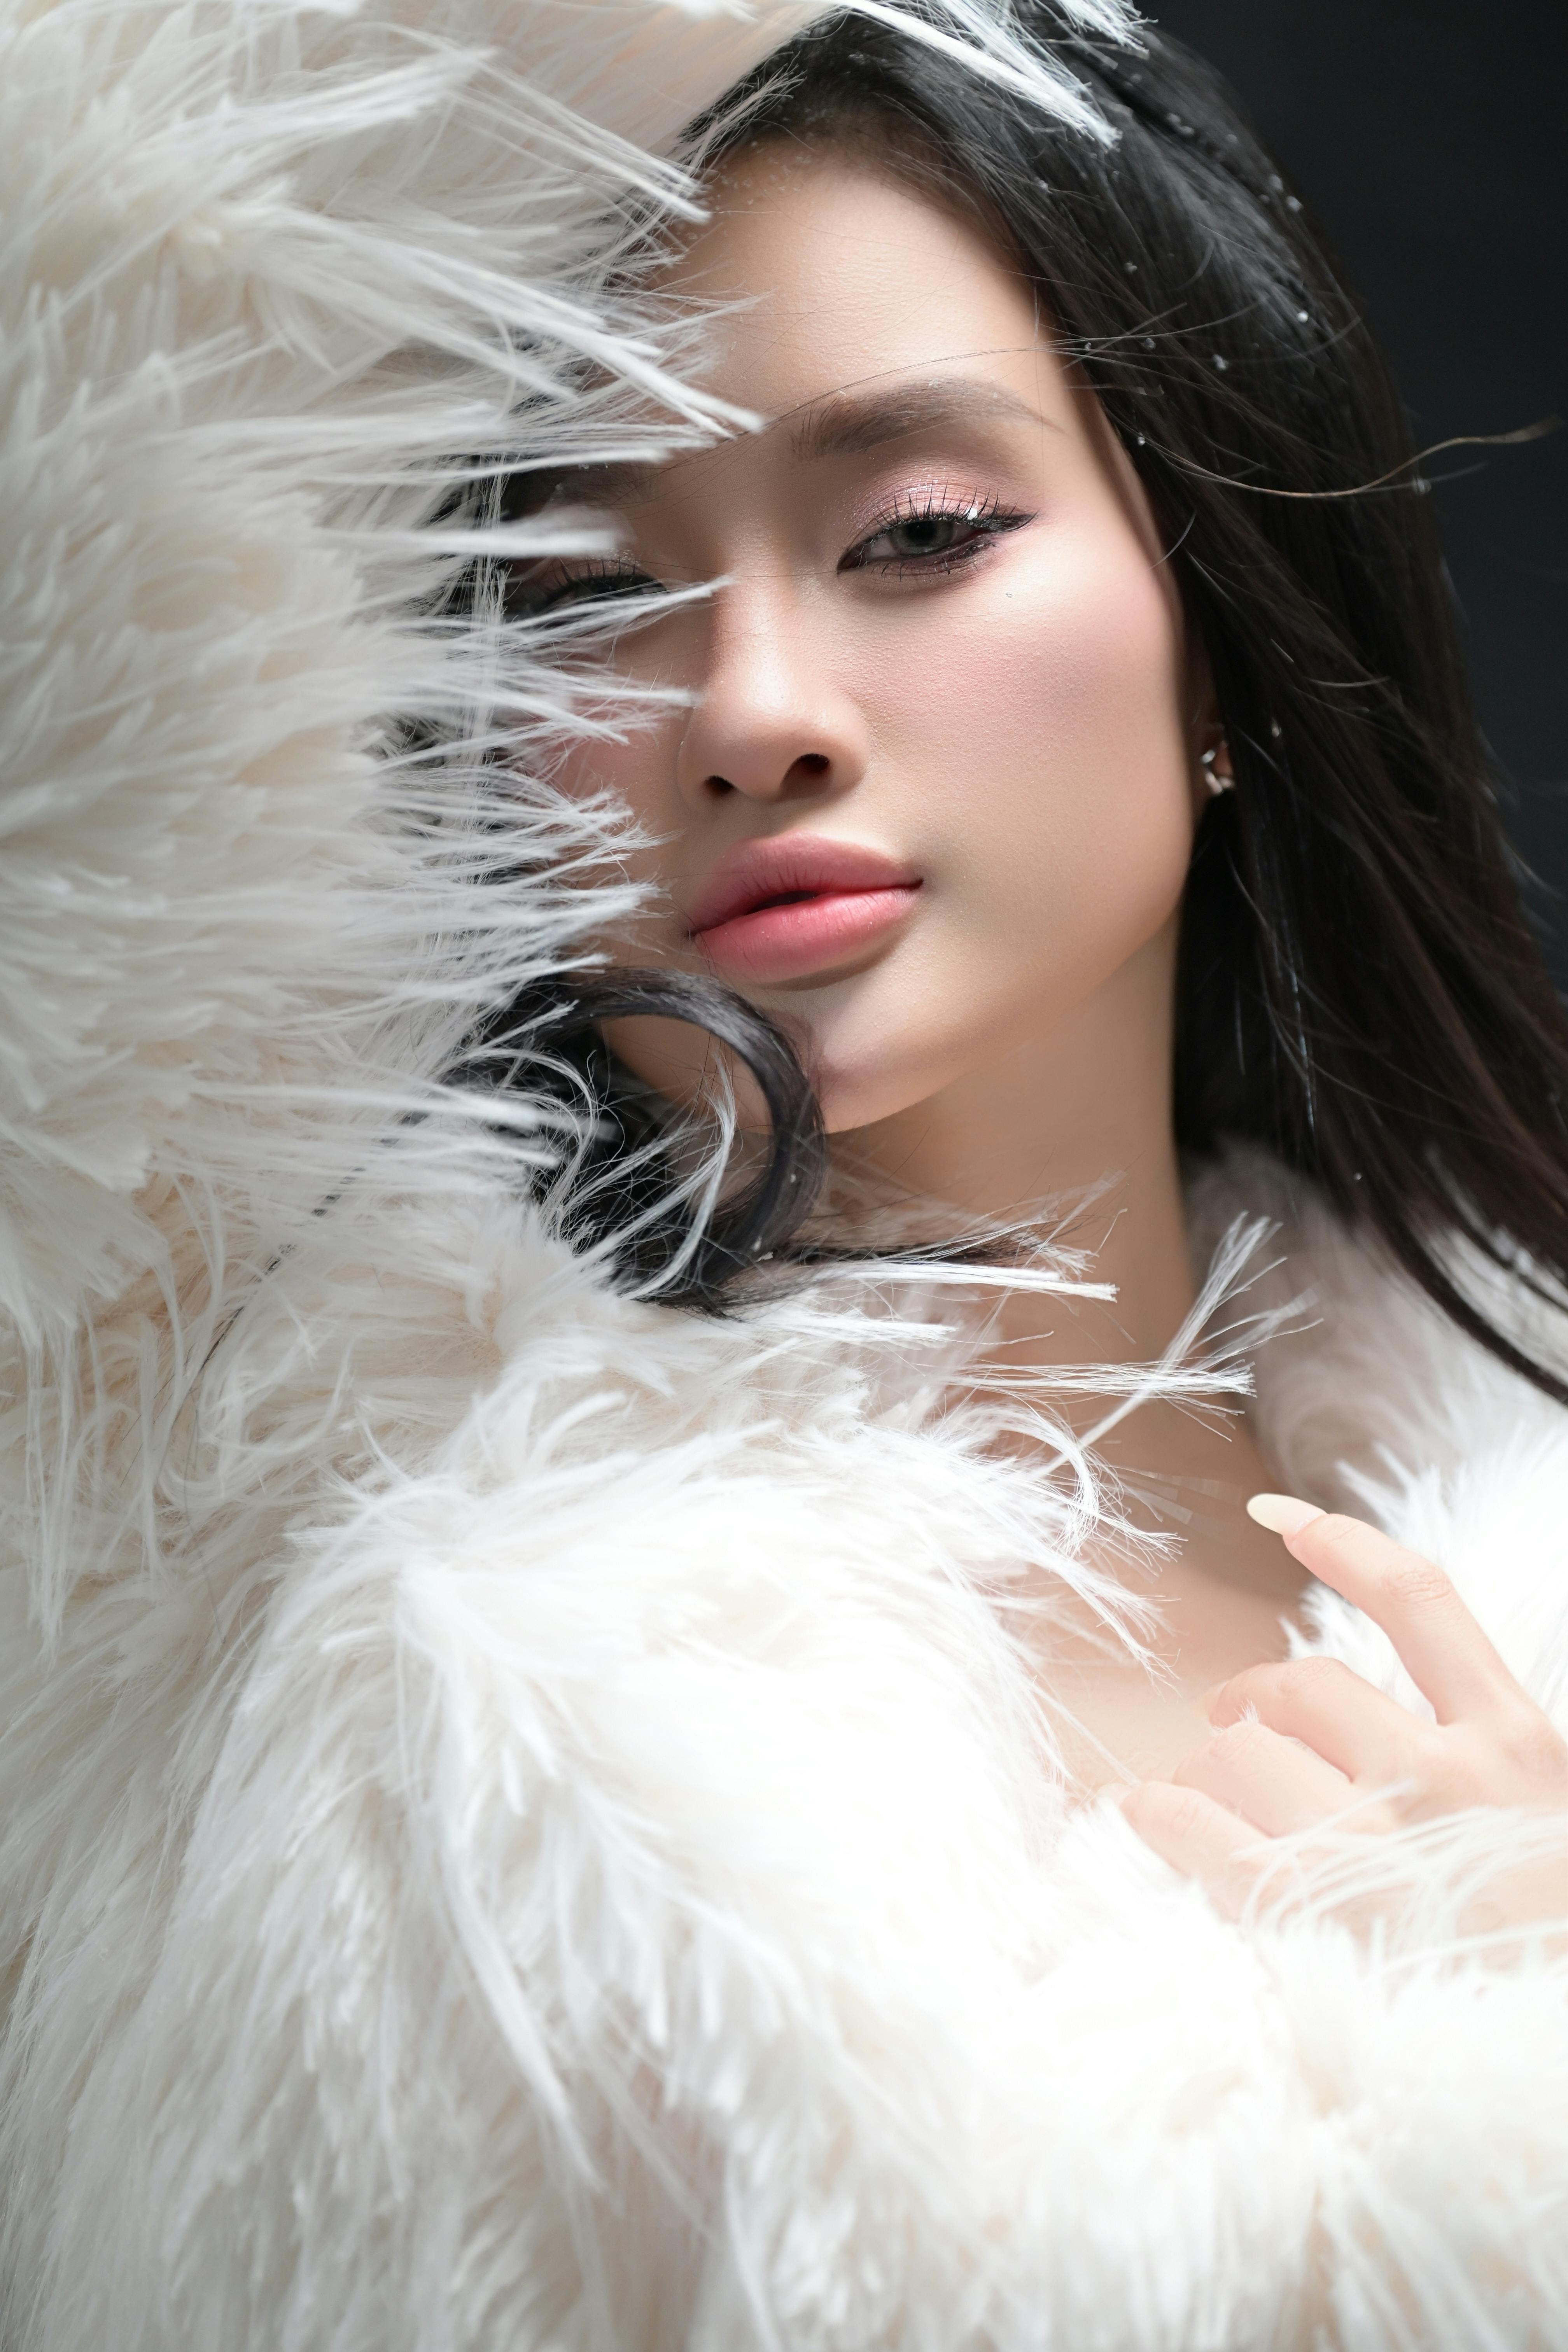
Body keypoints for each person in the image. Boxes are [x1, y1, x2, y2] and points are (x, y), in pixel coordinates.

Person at [0, 0, 1563, 2344]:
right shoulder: (464, 1722)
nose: (749, 706)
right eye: (568, 591)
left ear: (1218, 627)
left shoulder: (1523, 1479)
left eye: (916, 534)